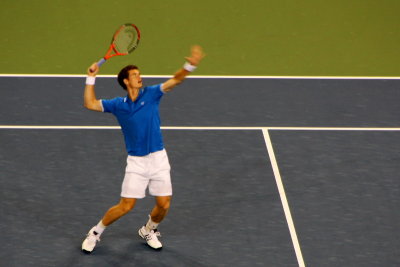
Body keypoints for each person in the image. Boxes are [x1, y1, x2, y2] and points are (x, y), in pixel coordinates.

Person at [81, 45, 205, 253]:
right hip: (137, 161)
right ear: (126, 81)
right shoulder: (117, 105)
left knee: (164, 204)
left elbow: (176, 80)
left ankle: (149, 229)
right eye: (135, 75)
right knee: (126, 206)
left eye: (139, 74)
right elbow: (90, 103)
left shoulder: (152, 93)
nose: (140, 78)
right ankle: (95, 232)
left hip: (158, 157)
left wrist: (189, 65)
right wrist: (90, 78)